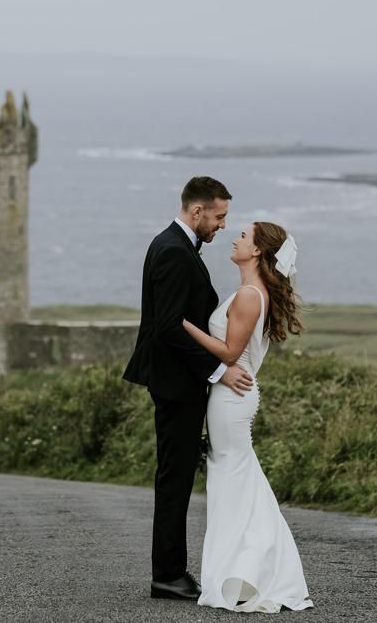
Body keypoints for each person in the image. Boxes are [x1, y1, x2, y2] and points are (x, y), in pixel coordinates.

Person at [123, 176, 255, 601]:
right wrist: (218, 371)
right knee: (175, 477)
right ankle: (167, 574)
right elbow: (167, 328)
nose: (221, 226)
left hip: (177, 381)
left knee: (176, 475)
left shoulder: (172, 245)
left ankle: (171, 570)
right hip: (177, 384)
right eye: (218, 217)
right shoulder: (174, 252)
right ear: (196, 211)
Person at [182, 221, 314, 612]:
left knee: (235, 480)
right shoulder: (250, 293)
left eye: (244, 235)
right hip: (231, 394)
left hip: (231, 397)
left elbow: (227, 352)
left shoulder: (249, 296)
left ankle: (251, 570)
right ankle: (245, 571)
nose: (237, 239)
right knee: (235, 479)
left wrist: (183, 324)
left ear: (257, 251)